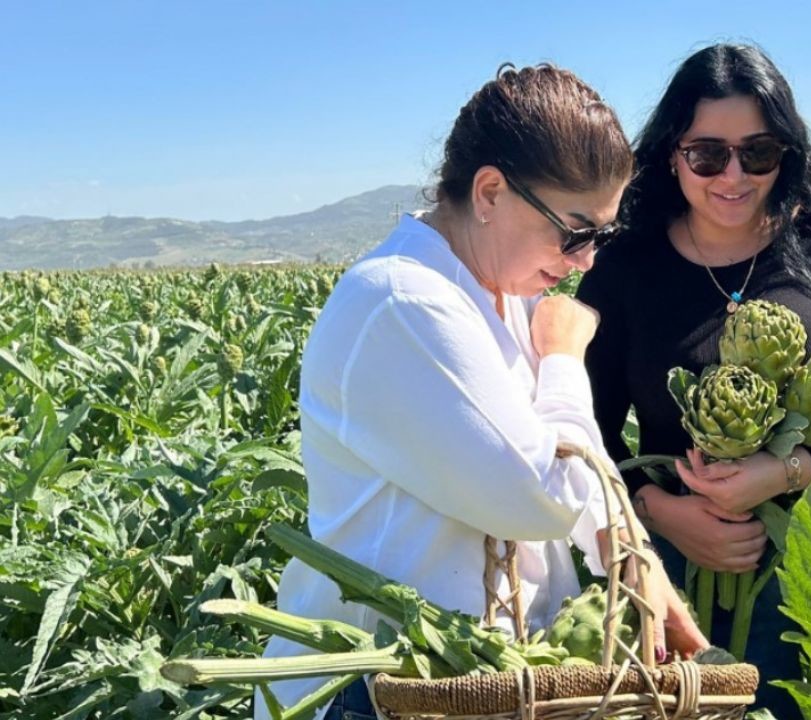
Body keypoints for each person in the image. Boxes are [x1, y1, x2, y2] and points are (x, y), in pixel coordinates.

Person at [257, 64, 707, 720]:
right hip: (382, 688)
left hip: (484, 683)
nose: (586, 261)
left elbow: (573, 469)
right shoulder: (402, 302)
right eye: (576, 231)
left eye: (603, 237)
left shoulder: (503, 290)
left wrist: (636, 563)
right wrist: (562, 359)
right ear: (491, 192)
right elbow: (542, 493)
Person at [576, 43, 811, 715]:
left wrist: (791, 470)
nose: (733, 175)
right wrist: (659, 516)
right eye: (707, 154)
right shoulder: (627, 264)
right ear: (672, 154)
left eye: (757, 153)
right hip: (676, 574)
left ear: (787, 152)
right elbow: (583, 425)